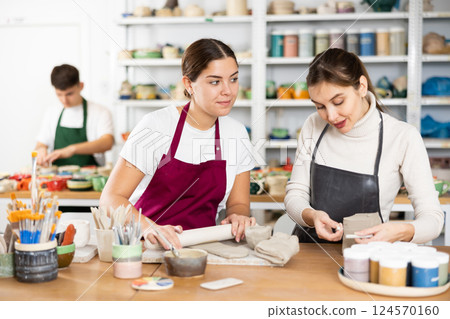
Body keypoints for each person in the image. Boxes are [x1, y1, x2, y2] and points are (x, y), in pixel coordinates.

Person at [100, 38, 256, 249]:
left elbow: (238, 204)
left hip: (204, 251)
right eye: (214, 82)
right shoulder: (156, 126)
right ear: (188, 84)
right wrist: (149, 227)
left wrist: (238, 217)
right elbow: (110, 199)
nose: (228, 91)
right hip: (148, 249)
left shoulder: (237, 133)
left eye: (234, 79)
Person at [285, 48, 444, 244]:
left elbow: (433, 218)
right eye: (320, 106)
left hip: (368, 257)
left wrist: (401, 231)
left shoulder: (403, 137)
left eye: (338, 101)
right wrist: (312, 216)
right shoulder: (313, 125)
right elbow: (295, 195)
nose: (331, 116)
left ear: (361, 86)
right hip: (310, 253)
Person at [35, 64, 114, 167]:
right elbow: (41, 143)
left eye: (69, 94)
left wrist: (72, 149)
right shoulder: (52, 112)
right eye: (59, 94)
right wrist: (41, 150)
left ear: (81, 86)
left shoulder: (100, 112)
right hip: (57, 178)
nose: (64, 100)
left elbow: (107, 142)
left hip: (91, 177)